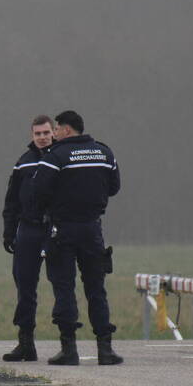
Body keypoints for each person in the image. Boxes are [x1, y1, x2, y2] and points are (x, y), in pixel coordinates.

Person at [33, 110, 122, 365]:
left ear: (67, 130)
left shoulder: (57, 156)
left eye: (57, 128)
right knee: (96, 289)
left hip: (63, 230)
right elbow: (114, 188)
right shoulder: (105, 153)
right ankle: (105, 350)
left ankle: (69, 349)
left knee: (64, 287)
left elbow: (39, 191)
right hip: (93, 230)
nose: (54, 133)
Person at [1, 115, 55, 361]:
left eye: (46, 133)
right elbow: (11, 200)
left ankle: (69, 343)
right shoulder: (23, 163)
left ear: (53, 132)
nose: (42, 138)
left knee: (63, 284)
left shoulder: (62, 158)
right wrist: (9, 231)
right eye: (38, 134)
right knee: (25, 286)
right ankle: (26, 343)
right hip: (28, 229)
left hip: (56, 229)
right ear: (32, 135)